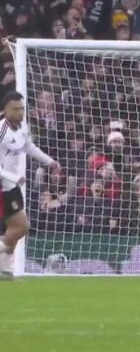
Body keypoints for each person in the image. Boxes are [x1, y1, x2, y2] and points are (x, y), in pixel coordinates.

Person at [0, 91, 60, 279]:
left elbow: (28, 146)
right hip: (3, 184)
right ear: (6, 110)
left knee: (20, 228)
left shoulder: (21, 127)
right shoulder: (1, 129)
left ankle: (4, 269)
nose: (20, 112)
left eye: (22, 108)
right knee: (21, 226)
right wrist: (11, 176)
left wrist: (49, 161)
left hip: (11, 185)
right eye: (16, 109)